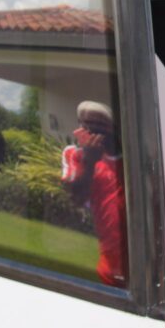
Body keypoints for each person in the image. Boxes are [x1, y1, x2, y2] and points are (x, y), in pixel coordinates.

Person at [61, 101, 127, 287]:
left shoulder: (131, 159)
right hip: (110, 266)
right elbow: (75, 197)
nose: (90, 131)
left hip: (140, 262)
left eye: (99, 126)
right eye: (85, 125)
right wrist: (89, 161)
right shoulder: (75, 155)